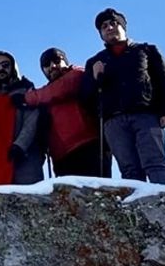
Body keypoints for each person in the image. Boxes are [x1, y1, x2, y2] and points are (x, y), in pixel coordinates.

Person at [81, 8, 165, 184]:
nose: (109, 28)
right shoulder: (95, 62)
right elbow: (86, 96)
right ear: (101, 34)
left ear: (124, 27)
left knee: (155, 163)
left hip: (146, 114)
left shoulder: (146, 50)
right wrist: (96, 78)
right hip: (113, 122)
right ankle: (138, 208)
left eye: (114, 23)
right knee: (129, 170)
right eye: (104, 26)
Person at [12, 47, 109, 177]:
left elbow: (59, 90)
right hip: (61, 156)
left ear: (66, 61)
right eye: (46, 64)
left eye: (57, 60)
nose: (52, 66)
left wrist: (25, 98)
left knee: (96, 189)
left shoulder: (77, 74)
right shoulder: (43, 95)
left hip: (88, 146)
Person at [0, 50, 47, 185]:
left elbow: (32, 121)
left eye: (5, 65)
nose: (1, 69)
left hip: (27, 159)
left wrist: (19, 146)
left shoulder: (27, 92)